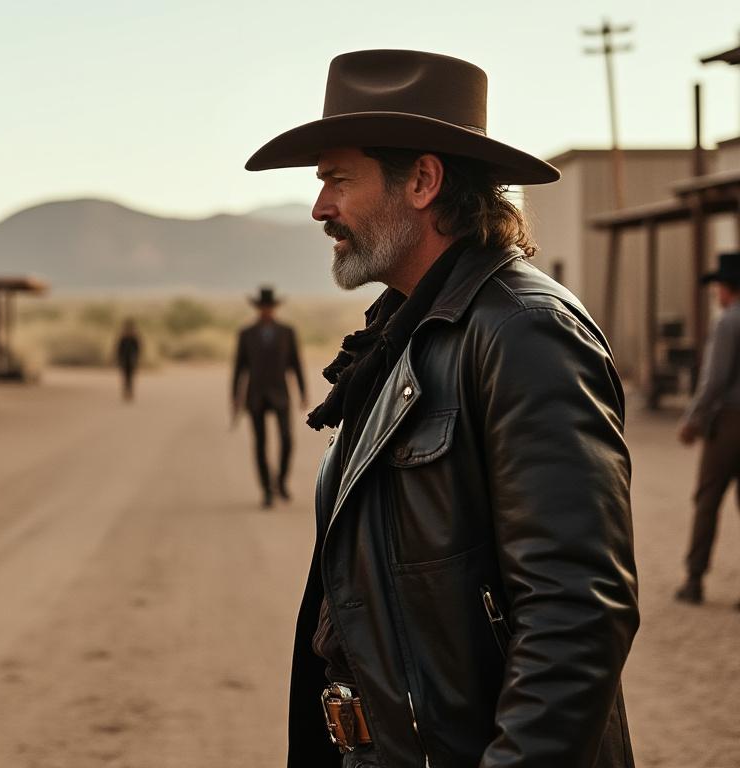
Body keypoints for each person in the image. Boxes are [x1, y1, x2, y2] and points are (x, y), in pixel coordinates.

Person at [245, 49, 637, 767]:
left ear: (422, 180)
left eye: (337, 178)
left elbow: (575, 615)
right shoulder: (400, 335)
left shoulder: (524, 332)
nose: (320, 207)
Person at [676, 250, 740, 606]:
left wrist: (693, 420)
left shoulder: (729, 321)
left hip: (731, 421)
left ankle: (694, 579)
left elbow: (714, 380)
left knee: (707, 499)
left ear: (727, 288)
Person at [231, 287, 307, 507]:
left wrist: (302, 392)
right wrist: (235, 397)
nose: (266, 311)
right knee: (260, 444)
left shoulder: (287, 332)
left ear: (274, 308)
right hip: (255, 396)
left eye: (269, 307)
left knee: (286, 439)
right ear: (258, 308)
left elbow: (296, 363)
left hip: (281, 394)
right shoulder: (246, 334)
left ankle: (281, 481)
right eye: (263, 307)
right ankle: (266, 490)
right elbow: (239, 368)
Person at [116, 318, 142, 401]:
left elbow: (138, 350)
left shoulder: (134, 338)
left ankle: (130, 392)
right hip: (124, 360)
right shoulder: (123, 338)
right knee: (125, 377)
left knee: (130, 377)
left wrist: (136, 359)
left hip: (132, 361)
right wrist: (119, 359)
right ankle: (126, 392)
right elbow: (119, 350)